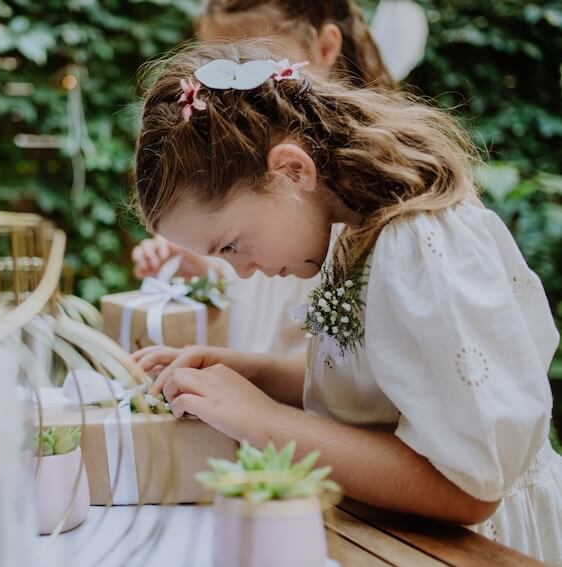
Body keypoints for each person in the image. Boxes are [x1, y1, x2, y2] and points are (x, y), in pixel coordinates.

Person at [131, 42, 562, 563]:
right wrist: (252, 372)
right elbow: (386, 386)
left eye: (230, 244)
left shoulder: (418, 242)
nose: (241, 270)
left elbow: (468, 487)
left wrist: (260, 420)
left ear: (292, 171)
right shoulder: (353, 230)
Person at [131, 0, 394, 357]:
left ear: (326, 48)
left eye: (254, 60)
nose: (233, 94)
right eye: (220, 66)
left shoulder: (341, 208)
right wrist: (206, 265)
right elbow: (264, 282)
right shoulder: (276, 209)